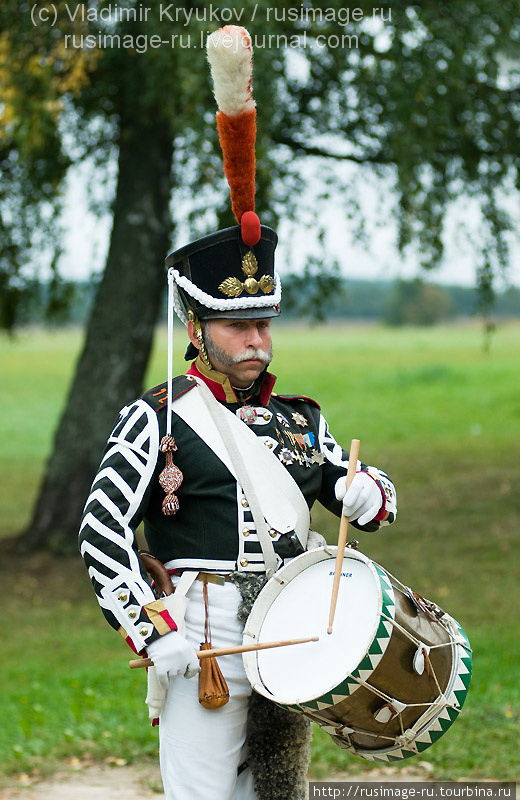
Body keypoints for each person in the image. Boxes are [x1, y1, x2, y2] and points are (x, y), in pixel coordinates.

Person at [78, 25, 397, 800]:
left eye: (264, 323)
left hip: (296, 631)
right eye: (236, 326)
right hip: (206, 637)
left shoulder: (299, 418)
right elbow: (98, 532)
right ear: (197, 328)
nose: (256, 340)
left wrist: (368, 492)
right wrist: (155, 631)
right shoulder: (156, 416)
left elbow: (369, 495)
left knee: (278, 793)